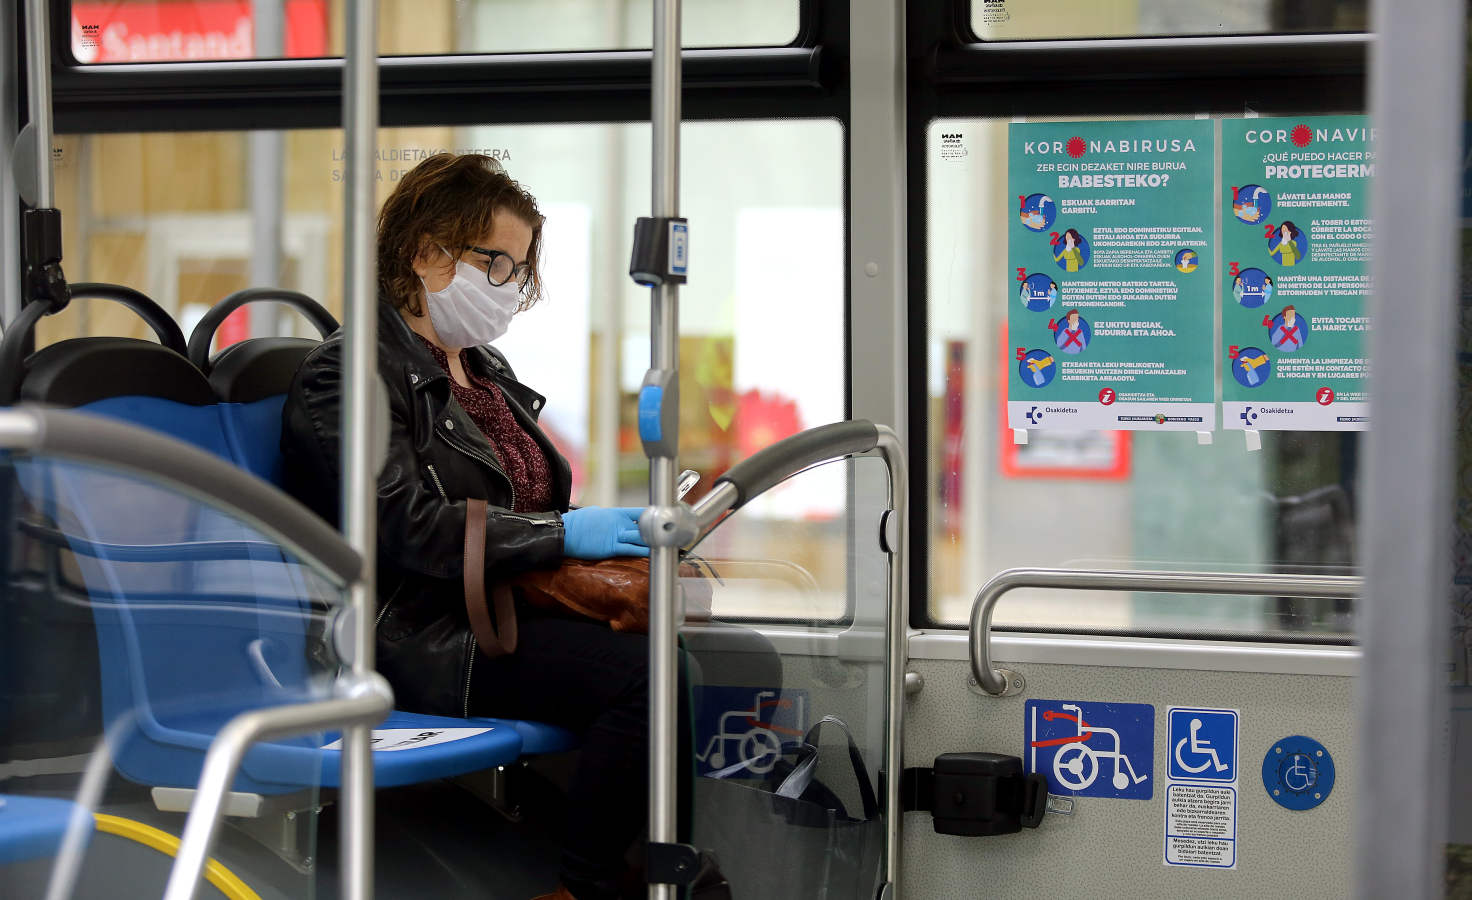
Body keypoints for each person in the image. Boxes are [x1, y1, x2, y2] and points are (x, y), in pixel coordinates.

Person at [281, 153, 667, 900]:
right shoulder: (347, 376)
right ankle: (587, 885)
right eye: (496, 263)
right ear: (425, 253)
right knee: (643, 676)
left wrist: (580, 529)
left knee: (680, 657)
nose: (510, 287)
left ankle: (643, 871)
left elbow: (520, 499)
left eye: (519, 270)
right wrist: (562, 536)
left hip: (496, 611)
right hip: (417, 633)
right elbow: (401, 526)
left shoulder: (484, 369)